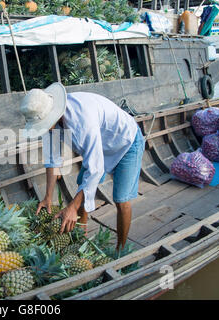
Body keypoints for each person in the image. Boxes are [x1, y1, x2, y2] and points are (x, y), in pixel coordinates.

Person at [19, 83, 144, 251]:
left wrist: (72, 207)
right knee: (82, 186)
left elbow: (96, 168)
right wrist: (47, 197)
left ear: (51, 114)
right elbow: (52, 160)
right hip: (100, 144)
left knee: (121, 199)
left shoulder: (82, 121)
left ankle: (120, 250)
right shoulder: (51, 123)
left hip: (126, 142)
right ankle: (81, 236)